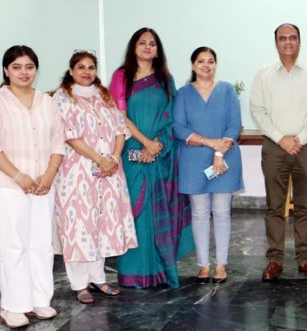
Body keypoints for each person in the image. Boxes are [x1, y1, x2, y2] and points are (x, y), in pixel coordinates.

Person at [0, 45, 65, 328]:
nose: (24, 72)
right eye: (17, 67)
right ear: (6, 70)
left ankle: (39, 300)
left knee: (41, 244)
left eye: (29, 67)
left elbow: (57, 142)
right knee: (14, 245)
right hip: (8, 185)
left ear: (36, 70)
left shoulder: (47, 101)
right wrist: (19, 176)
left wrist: (50, 175)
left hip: (43, 184)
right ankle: (13, 306)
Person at [109, 27, 194, 288]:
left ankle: (160, 271)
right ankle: (134, 274)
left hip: (159, 153)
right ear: (133, 47)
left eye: (152, 43)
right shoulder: (121, 76)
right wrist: (145, 143)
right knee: (134, 213)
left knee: (160, 214)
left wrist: (156, 146)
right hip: (131, 149)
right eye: (142, 43)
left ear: (158, 50)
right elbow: (119, 117)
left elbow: (172, 116)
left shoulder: (165, 78)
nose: (147, 47)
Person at [53, 50, 138, 304]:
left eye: (91, 67)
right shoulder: (62, 97)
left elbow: (120, 130)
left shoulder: (104, 95)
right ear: (71, 71)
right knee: (79, 225)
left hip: (110, 171)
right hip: (77, 172)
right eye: (81, 67)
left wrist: (113, 158)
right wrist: (99, 159)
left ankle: (98, 278)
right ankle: (79, 283)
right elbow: (69, 135)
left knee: (101, 222)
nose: (87, 72)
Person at [250, 23, 307, 281]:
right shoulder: (264, 74)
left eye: (292, 38)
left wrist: (301, 138)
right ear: (276, 43)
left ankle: (305, 259)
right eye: (282, 38)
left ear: (299, 41)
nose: (287, 42)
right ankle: (274, 260)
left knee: (304, 207)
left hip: (305, 147)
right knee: (275, 207)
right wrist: (281, 139)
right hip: (274, 147)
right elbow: (257, 109)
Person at [173, 47, 243, 284]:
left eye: (210, 61)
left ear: (215, 65)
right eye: (201, 61)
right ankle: (203, 265)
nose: (206, 65)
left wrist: (219, 151)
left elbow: (234, 125)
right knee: (200, 213)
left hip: (224, 158)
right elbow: (179, 128)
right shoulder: (183, 94)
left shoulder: (227, 90)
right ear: (193, 65)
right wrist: (209, 142)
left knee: (222, 212)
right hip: (193, 160)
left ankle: (221, 265)